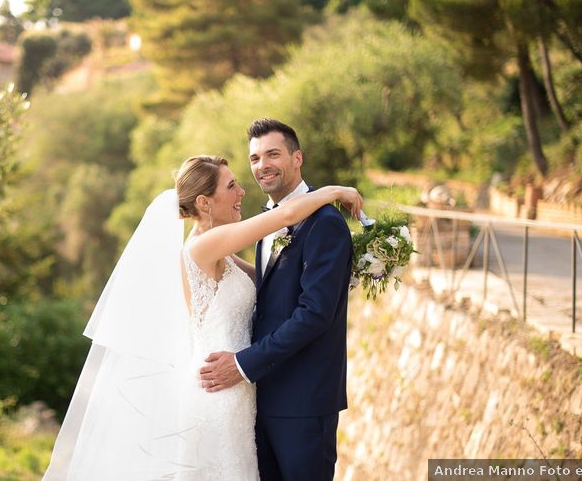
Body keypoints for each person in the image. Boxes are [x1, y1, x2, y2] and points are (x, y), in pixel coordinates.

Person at [43, 149, 361, 480]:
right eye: (231, 186)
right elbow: (283, 217)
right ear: (204, 203)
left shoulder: (223, 255)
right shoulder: (202, 247)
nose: (242, 193)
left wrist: (334, 272)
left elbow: (277, 284)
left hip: (239, 387)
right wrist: (335, 192)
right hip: (219, 390)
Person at [200, 119, 354, 481]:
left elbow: (314, 314)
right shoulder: (266, 225)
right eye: (254, 158)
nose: (262, 165)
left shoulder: (325, 223)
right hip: (256, 400)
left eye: (273, 154)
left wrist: (241, 364)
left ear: (297, 158)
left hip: (303, 400)